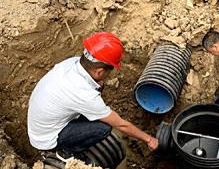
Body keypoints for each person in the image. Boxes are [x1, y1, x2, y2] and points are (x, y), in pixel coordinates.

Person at [27, 32, 158, 162]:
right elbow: (121, 125)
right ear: (99, 71)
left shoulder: (71, 63)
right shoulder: (83, 93)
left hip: (42, 122)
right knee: (103, 128)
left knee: (98, 89)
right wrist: (149, 139)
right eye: (109, 71)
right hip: (47, 138)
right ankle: (66, 152)